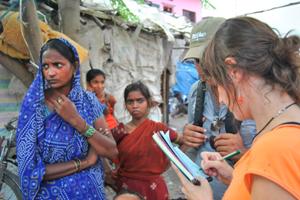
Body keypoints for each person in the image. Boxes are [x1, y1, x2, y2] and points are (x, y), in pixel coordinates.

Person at [174, 16, 300, 199]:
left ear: (233, 71)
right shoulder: (283, 130)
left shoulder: (273, 149)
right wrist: (236, 177)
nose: (222, 100)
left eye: (217, 83)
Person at [16, 38, 118, 200]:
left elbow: (111, 150)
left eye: (58, 65)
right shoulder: (34, 106)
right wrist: (84, 163)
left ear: (75, 66)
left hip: (90, 193)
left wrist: (77, 121)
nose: (50, 72)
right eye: (45, 66)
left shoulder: (88, 102)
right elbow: (30, 170)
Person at [181, 17, 256, 199]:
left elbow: (277, 164)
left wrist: (243, 154)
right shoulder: (195, 92)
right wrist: (187, 138)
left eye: (206, 59)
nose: (200, 69)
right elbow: (191, 149)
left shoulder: (254, 95)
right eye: (196, 61)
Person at [110, 81, 183, 200]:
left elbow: (182, 141)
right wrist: (109, 171)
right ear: (125, 105)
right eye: (130, 101)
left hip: (154, 189)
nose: (135, 105)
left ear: (148, 102)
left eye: (140, 101)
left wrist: (170, 162)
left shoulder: (159, 129)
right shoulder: (119, 131)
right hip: (127, 189)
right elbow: (103, 150)